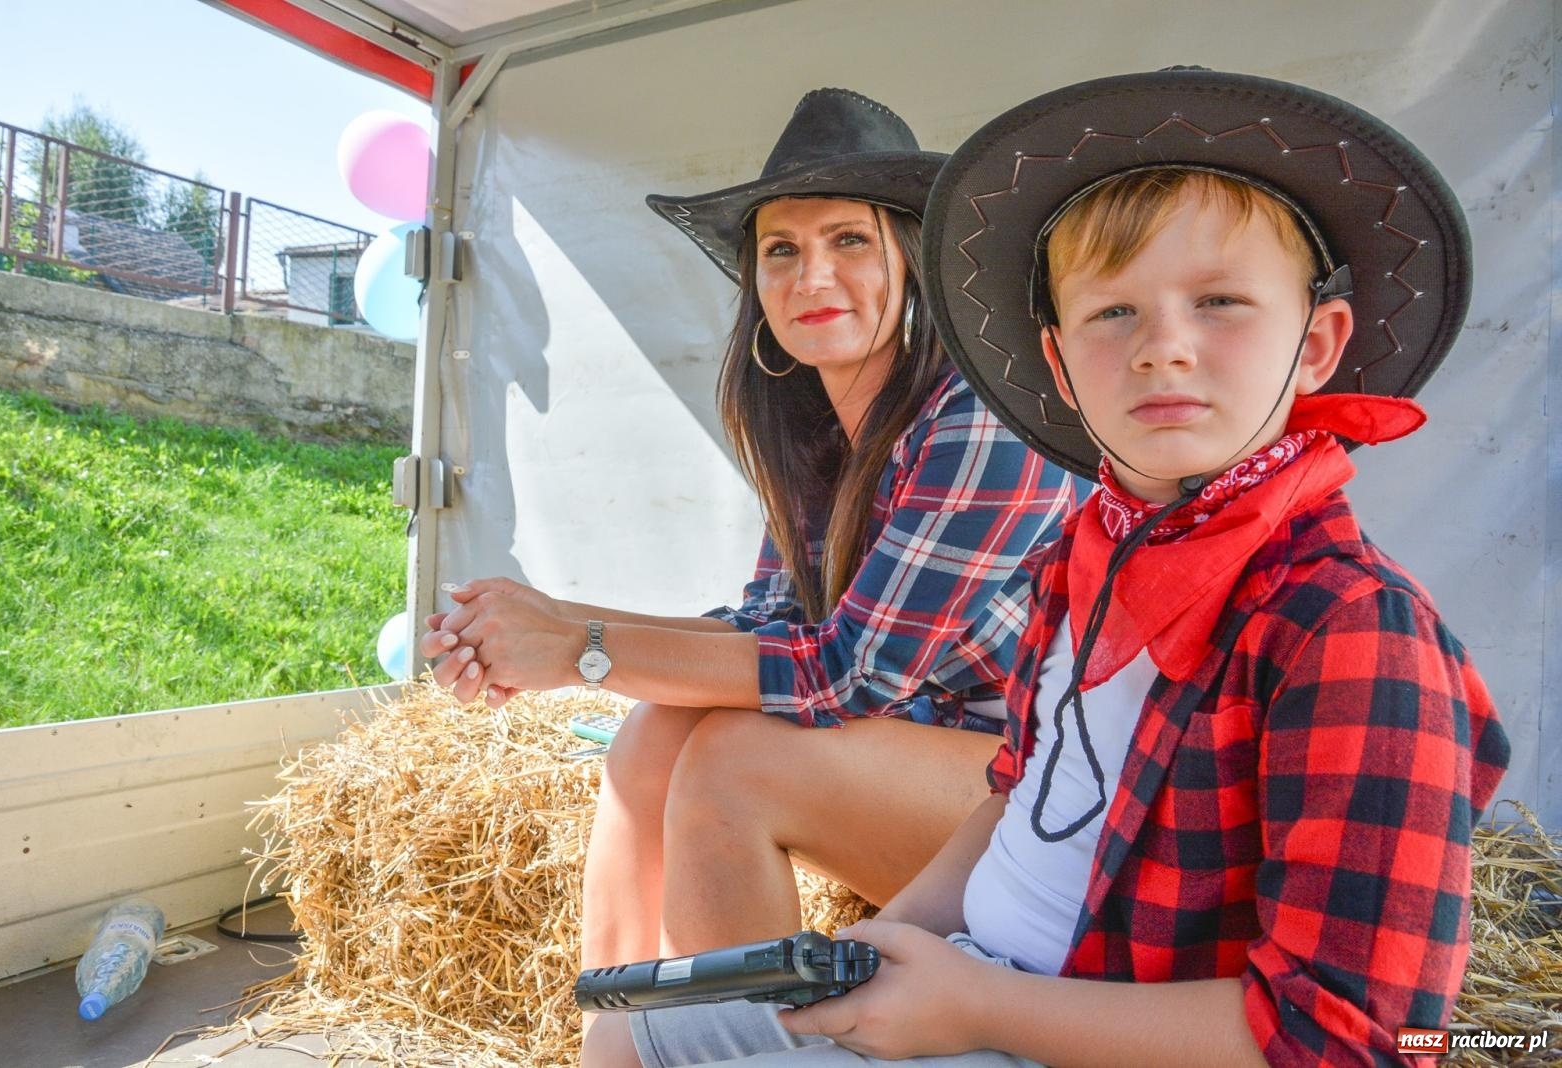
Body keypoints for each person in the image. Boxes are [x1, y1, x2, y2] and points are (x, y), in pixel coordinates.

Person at [584, 68, 1511, 1068]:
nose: (1162, 348)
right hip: (980, 963)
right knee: (626, 1042)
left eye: (1220, 302)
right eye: (1112, 313)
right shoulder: (1085, 559)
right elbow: (1017, 793)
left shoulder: (1349, 626)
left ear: (1318, 343)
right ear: (1059, 363)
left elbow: (1364, 1036)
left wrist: (979, 1009)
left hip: (1083, 1021)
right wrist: (883, 946)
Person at [420, 88, 1079, 969]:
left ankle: (736, 1033)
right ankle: (616, 1026)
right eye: (782, 250)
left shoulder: (979, 418)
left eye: (849, 240)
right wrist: (540, 619)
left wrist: (577, 648)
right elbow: (765, 630)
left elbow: (846, 673)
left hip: (1056, 811)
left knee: (735, 759)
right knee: (658, 727)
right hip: (942, 779)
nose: (812, 277)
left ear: (914, 261)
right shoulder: (818, 439)